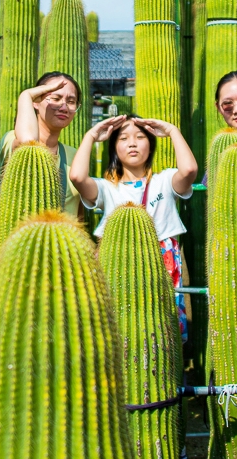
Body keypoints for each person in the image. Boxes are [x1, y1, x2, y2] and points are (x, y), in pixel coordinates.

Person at [69, 114, 198, 342]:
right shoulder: (107, 188)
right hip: (118, 261)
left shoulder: (165, 181)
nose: (132, 143)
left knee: (161, 334)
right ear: (114, 147)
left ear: (151, 143)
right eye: (123, 138)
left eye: (140, 137)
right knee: (122, 332)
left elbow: (188, 171)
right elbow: (78, 177)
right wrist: (90, 135)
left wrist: (172, 131)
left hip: (161, 260)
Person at [0, 72, 83, 217]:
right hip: (22, 238)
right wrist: (26, 95)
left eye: (71, 101)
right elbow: (29, 142)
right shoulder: (11, 139)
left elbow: (79, 213)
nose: (64, 107)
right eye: (55, 98)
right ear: (35, 101)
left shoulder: (74, 155)